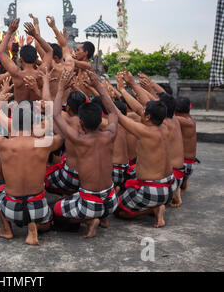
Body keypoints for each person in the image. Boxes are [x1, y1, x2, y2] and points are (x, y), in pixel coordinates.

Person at [0, 82, 64, 246]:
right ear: (33, 124)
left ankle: (7, 229)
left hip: (13, 209)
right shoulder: (44, 144)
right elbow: (62, 134)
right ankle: (37, 225)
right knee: (48, 219)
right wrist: (51, 114)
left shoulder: (3, 145)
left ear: (12, 125)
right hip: (39, 208)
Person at [52, 70, 119, 239]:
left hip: (90, 203)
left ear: (80, 123)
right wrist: (98, 85)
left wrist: (60, 88)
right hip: (111, 200)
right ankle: (103, 218)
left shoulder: (79, 140)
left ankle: (89, 221)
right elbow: (113, 113)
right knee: (76, 197)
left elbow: (55, 115)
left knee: (55, 213)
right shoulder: (110, 134)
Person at [113, 91, 174, 228]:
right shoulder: (165, 126)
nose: (141, 111)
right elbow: (139, 109)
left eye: (144, 111)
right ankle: (154, 205)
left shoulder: (144, 131)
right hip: (170, 186)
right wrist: (124, 89)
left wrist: (98, 88)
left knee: (118, 211)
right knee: (129, 176)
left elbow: (117, 115)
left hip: (152, 189)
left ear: (147, 117)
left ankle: (153, 209)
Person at [0, 18, 53, 102]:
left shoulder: (16, 73)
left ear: (20, 60)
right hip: (37, 111)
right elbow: (50, 51)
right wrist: (35, 35)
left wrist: (9, 32)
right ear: (36, 59)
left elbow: (1, 52)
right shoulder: (41, 73)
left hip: (20, 112)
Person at [174, 97, 198, 192]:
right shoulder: (189, 119)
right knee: (182, 187)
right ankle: (181, 185)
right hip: (189, 164)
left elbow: (162, 114)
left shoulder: (183, 121)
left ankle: (177, 192)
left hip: (183, 164)